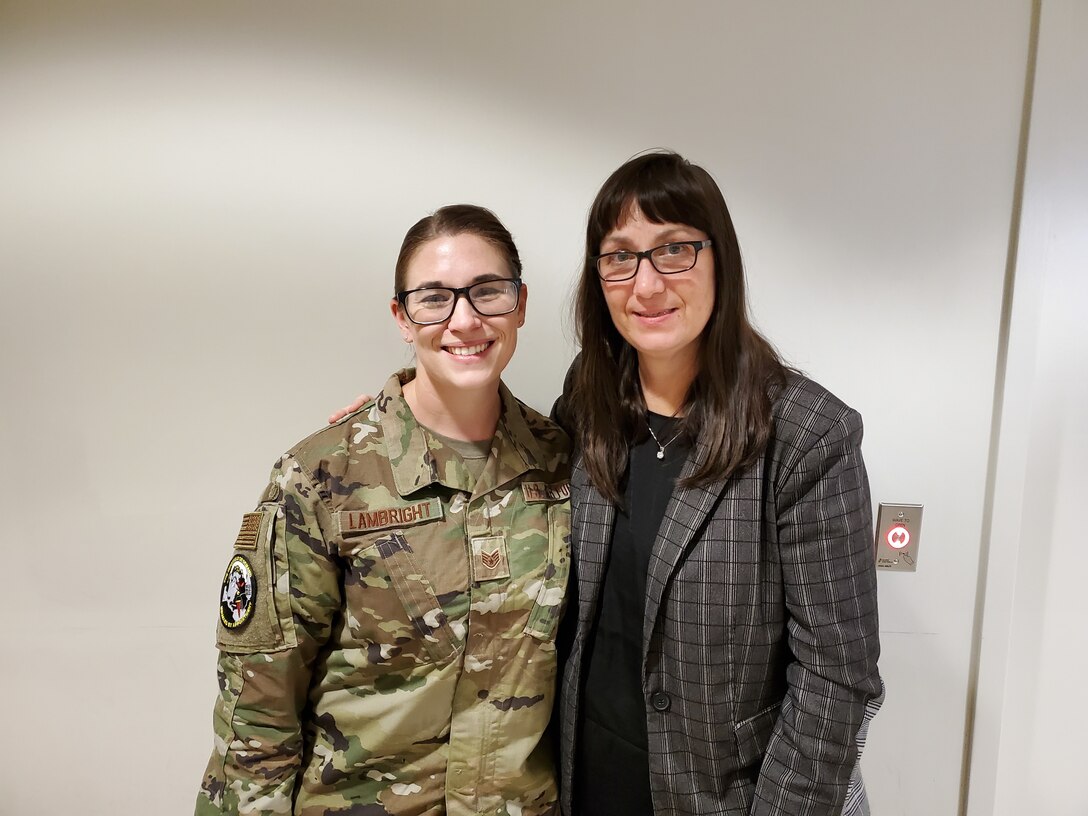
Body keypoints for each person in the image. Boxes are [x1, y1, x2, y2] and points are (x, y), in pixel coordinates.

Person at [332, 152, 883, 816]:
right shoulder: (590, 400)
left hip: (723, 798)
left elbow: (837, 681)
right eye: (621, 256)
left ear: (721, 261)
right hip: (586, 785)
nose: (646, 284)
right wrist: (392, 428)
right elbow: (504, 475)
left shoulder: (805, 434)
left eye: (675, 249)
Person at [197, 204, 571, 816]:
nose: (465, 319)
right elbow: (257, 711)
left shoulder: (565, 465)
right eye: (434, 298)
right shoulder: (323, 477)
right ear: (402, 316)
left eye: (488, 292)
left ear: (520, 304)